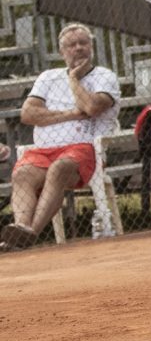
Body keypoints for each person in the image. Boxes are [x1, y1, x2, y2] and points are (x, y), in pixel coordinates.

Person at [1, 24, 119, 250]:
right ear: (62, 52)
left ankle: (29, 233)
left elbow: (92, 107)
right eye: (71, 45)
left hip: (84, 150)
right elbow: (28, 114)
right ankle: (21, 227)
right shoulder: (48, 77)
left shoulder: (105, 76)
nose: (78, 48)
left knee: (59, 168)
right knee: (22, 173)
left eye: (83, 43)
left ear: (91, 47)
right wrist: (72, 114)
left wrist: (74, 78)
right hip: (44, 151)